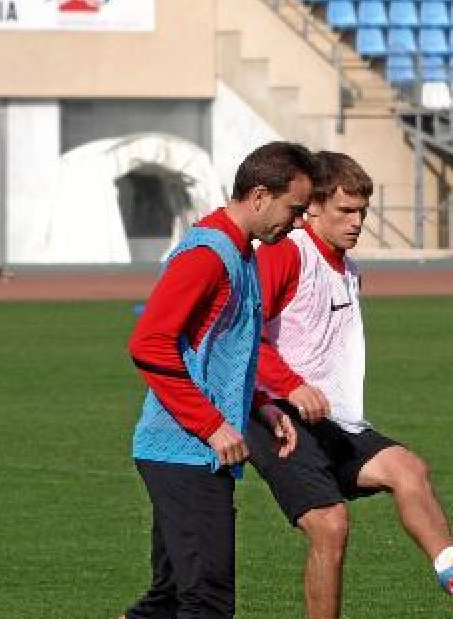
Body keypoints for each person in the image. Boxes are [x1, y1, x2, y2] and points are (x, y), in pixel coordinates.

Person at [246, 151, 453, 618]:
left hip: (333, 418)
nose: (357, 223)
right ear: (311, 207)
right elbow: (243, 337)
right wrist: (289, 386)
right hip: (278, 415)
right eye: (345, 211)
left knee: (408, 469)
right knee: (330, 527)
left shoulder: (349, 268)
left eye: (362, 213)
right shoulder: (286, 253)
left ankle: (451, 563)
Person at [122, 141, 321, 619]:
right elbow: (148, 343)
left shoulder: (242, 253)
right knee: (206, 602)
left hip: (191, 450)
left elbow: (216, 353)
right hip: (184, 450)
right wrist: (211, 425)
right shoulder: (209, 255)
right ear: (258, 195)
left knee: (168, 600)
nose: (298, 224)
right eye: (294, 210)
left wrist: (259, 404)